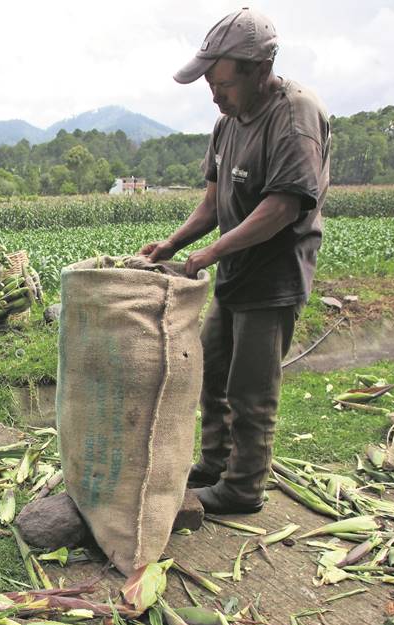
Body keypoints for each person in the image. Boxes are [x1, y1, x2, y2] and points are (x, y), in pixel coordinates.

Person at [140, 7, 330, 517]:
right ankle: (215, 463)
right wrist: (173, 246)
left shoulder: (294, 116)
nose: (214, 94)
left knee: (251, 388)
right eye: (208, 84)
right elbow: (211, 204)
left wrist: (211, 253)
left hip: (273, 274)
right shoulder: (227, 125)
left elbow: (282, 207)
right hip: (235, 272)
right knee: (212, 367)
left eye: (220, 83)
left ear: (257, 70)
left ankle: (244, 488)